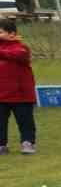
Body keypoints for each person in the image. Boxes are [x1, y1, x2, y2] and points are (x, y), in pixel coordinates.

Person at [0, 19, 38, 155]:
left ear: (12, 34)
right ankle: (2, 145)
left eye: (1, 32)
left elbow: (17, 55)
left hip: (21, 94)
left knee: (25, 121)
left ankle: (27, 143)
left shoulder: (21, 47)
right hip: (1, 93)